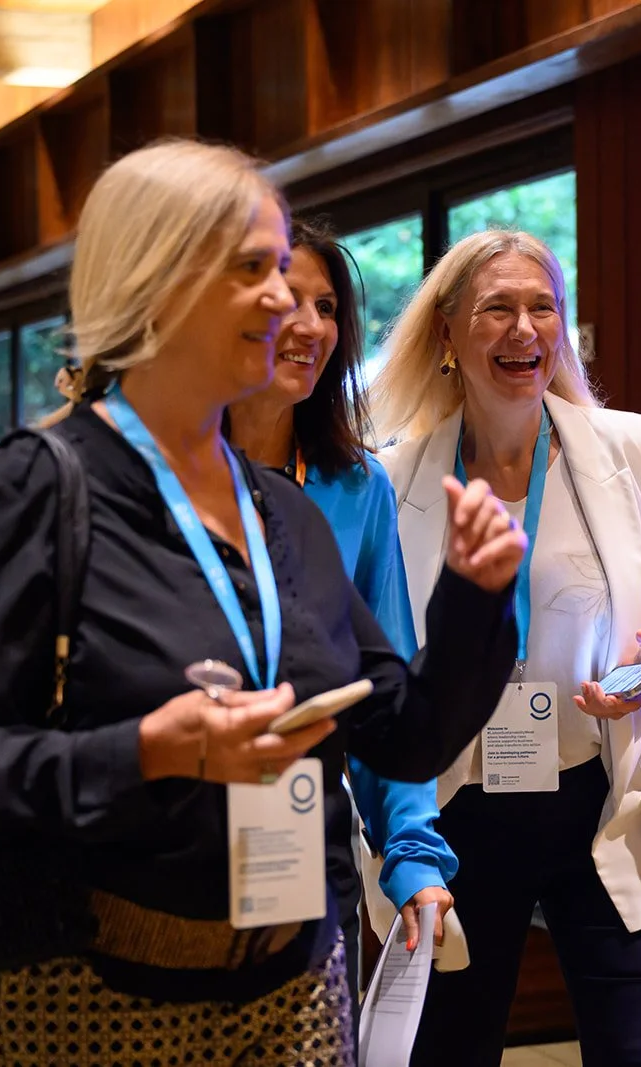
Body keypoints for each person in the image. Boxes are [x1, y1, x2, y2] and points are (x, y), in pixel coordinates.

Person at [0, 139, 526, 1067]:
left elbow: (405, 732)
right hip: (86, 988)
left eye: (285, 271)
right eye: (254, 271)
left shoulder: (286, 512)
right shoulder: (37, 491)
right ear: (156, 280)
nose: (286, 301)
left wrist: (476, 599)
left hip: (296, 981)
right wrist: (155, 749)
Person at [370, 230, 641, 1067]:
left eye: (542, 306)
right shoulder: (394, 475)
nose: (525, 328)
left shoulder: (634, 447)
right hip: (459, 808)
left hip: (602, 792)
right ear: (447, 333)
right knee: (446, 1049)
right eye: (497, 308)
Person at [224, 217, 455, 1003]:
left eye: (329, 309)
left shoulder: (357, 487)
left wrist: (413, 854)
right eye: (292, 300)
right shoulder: (164, 475)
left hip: (304, 838)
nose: (312, 326)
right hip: (172, 844)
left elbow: (384, 687)